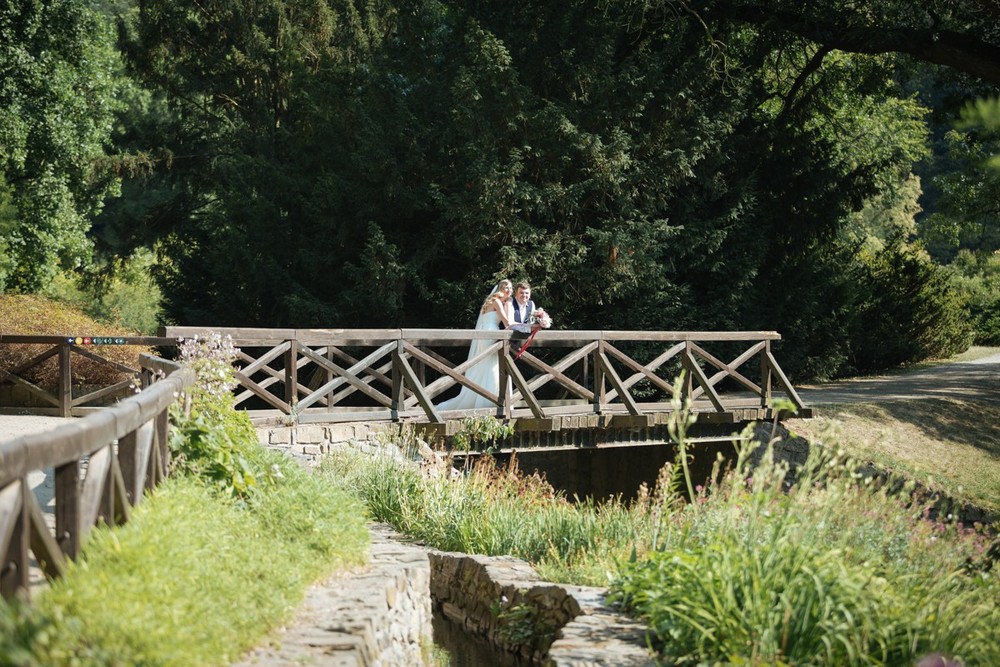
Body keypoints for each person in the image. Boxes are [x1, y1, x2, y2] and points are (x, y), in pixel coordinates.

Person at [437, 280, 514, 410]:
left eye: (511, 288)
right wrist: (510, 307)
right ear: (500, 289)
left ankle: (488, 398)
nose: (509, 290)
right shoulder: (497, 302)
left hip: (486, 332)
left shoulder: (491, 301)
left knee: (488, 364)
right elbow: (507, 322)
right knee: (493, 365)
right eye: (507, 288)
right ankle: (489, 400)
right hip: (491, 333)